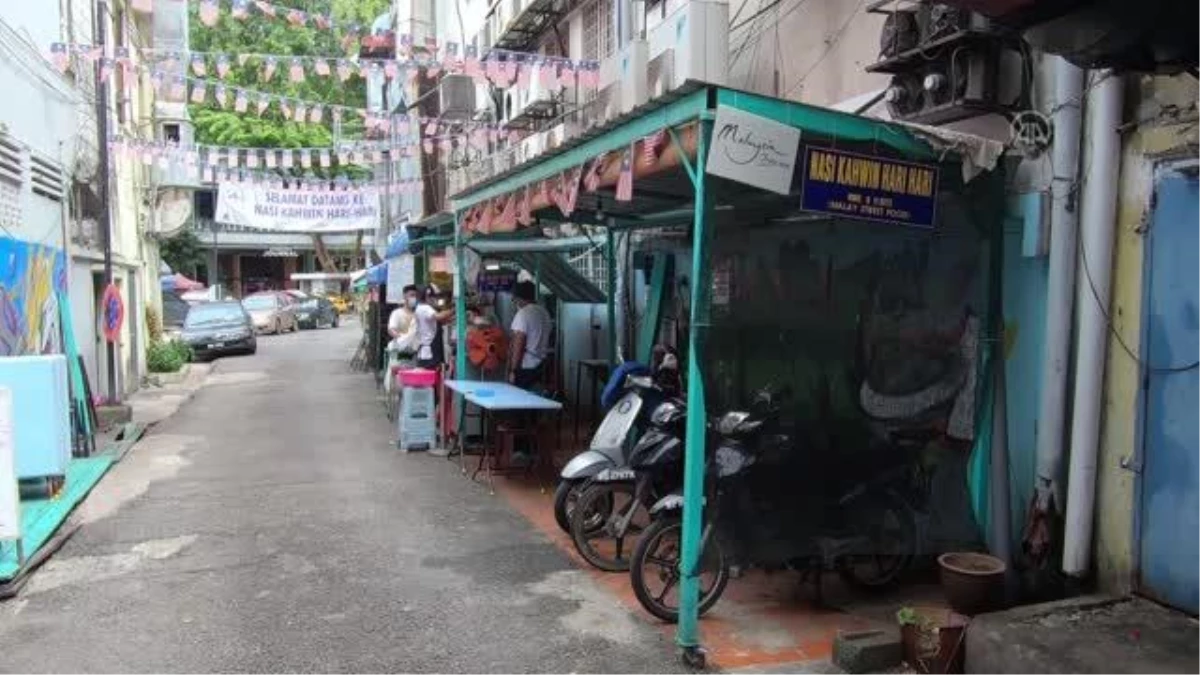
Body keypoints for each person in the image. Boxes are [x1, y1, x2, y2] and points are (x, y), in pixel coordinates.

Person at [508, 280, 553, 390]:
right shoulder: (544, 312)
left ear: (520, 298)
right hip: (541, 365)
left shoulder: (523, 313)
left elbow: (519, 343)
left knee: (520, 402)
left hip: (526, 367)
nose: (514, 302)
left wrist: (514, 370)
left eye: (514, 299)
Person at [406, 284, 454, 370]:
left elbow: (439, 321)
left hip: (430, 346)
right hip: (429, 347)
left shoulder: (422, 308)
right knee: (430, 372)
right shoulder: (425, 308)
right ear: (427, 296)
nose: (434, 299)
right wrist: (454, 309)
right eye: (433, 297)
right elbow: (439, 316)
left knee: (434, 370)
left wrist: (452, 317)